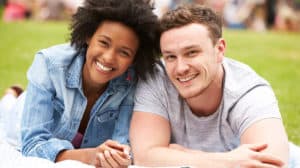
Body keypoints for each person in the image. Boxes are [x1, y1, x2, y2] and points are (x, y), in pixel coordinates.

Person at [130, 4, 294, 167]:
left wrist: (182, 155)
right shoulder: (157, 78)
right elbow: (144, 157)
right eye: (170, 57)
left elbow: (272, 163)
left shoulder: (249, 91)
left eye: (192, 52)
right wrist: (227, 160)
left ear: (220, 49)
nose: (180, 68)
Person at [20, 0, 160, 167]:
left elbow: (123, 145)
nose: (108, 58)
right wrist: (89, 155)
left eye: (124, 52)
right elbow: (32, 144)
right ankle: (13, 93)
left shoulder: (132, 81)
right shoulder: (49, 64)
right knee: (10, 107)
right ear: (88, 36)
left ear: (134, 59)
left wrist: (119, 157)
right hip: (21, 110)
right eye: (103, 43)